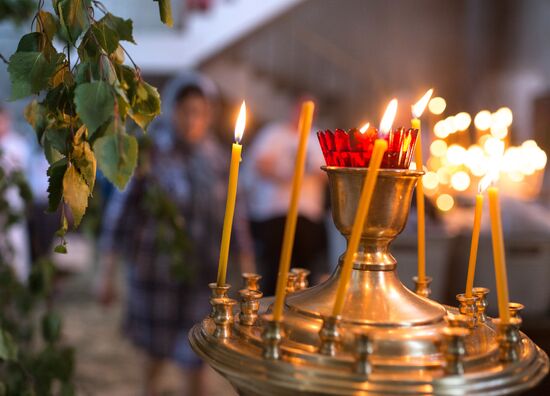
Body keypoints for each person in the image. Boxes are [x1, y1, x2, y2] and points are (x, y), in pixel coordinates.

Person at [97, 73, 254, 396]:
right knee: (154, 355)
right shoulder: (150, 153)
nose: (191, 120)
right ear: (171, 111)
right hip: (156, 273)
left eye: (199, 112)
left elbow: (235, 219)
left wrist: (247, 270)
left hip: (201, 276)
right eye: (185, 111)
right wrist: (107, 271)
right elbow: (120, 215)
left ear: (209, 115)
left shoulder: (218, 159)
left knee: (197, 358)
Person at [242, 102, 328, 295]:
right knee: (276, 268)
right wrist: (285, 173)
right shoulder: (273, 134)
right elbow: (260, 164)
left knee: (305, 270)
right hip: (275, 211)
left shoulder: (317, 137)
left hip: (307, 214)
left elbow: (327, 172)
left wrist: (306, 170)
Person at [0, 105, 30, 281]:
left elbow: (17, 170)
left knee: (15, 244)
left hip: (12, 204)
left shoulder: (17, 144)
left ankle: (17, 283)